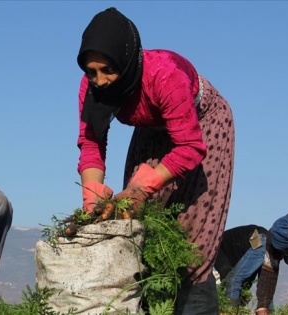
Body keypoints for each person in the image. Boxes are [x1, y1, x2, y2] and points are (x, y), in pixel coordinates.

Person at [76, 7, 234, 314]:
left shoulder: (164, 74)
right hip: (150, 128)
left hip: (203, 127)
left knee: (191, 240)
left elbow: (189, 147)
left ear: (127, 58)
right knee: (133, 224)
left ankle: (195, 307)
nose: (101, 80)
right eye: (92, 71)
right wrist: (92, 194)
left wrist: (139, 189)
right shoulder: (92, 86)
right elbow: (91, 141)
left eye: (108, 69)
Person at [214, 225, 270, 310]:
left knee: (232, 280)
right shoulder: (229, 242)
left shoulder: (215, 248)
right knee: (266, 284)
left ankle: (230, 312)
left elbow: (227, 275)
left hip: (257, 237)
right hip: (266, 238)